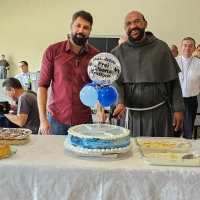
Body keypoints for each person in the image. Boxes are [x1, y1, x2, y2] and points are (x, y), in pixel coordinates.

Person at [109, 11, 184, 137]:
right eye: (128, 24)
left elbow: (173, 82)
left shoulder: (161, 48)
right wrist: (119, 102)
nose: (133, 26)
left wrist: (178, 109)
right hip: (128, 115)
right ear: (125, 28)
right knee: (129, 154)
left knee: (158, 153)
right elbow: (114, 83)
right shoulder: (117, 53)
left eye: (137, 21)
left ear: (145, 24)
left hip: (158, 114)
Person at [37, 10, 100, 135]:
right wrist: (43, 119)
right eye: (78, 25)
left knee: (84, 154)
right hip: (56, 120)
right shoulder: (53, 51)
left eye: (86, 27)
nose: (81, 30)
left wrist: (100, 109)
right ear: (71, 26)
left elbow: (99, 85)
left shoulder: (95, 56)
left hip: (84, 120)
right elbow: (43, 85)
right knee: (55, 154)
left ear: (90, 31)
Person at [175, 37, 200, 139]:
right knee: (175, 127)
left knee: (188, 128)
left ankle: (187, 150)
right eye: (185, 45)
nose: (187, 48)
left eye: (190, 46)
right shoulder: (174, 61)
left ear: (194, 49)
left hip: (191, 100)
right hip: (175, 100)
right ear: (181, 47)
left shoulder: (199, 63)